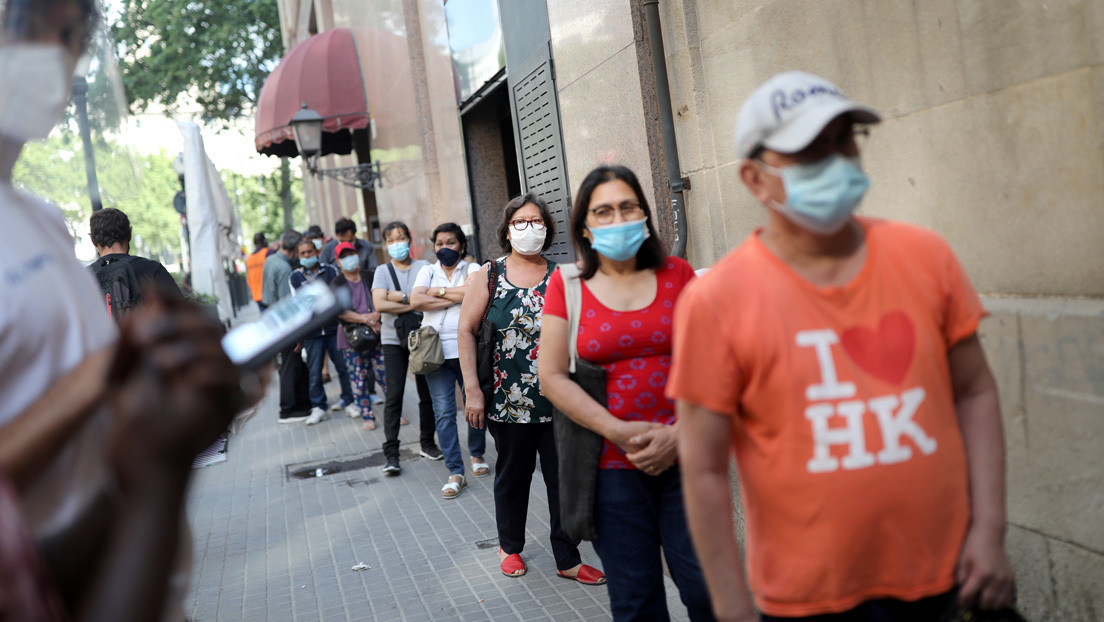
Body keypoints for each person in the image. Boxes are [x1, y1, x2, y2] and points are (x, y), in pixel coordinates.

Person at [669, 71, 1016, 621]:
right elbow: (705, 468)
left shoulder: (926, 257)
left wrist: (990, 532)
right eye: (809, 151)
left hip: (949, 577)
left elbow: (975, 393)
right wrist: (732, 608)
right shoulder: (716, 302)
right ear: (756, 180)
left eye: (844, 140)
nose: (834, 160)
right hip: (810, 599)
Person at [0, 0, 256, 618]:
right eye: (27, 27)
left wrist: (174, 398)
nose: (56, 55)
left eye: (74, 34)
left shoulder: (38, 218)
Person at [537, 165, 713, 621]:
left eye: (627, 207)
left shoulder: (678, 274)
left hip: (687, 458)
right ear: (585, 227)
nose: (618, 219)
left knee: (706, 588)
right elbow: (551, 376)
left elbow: (714, 364)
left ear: (645, 215)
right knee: (636, 601)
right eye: (603, 211)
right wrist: (617, 430)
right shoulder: (567, 285)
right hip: (609, 468)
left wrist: (678, 435)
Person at [457, 194, 605, 584]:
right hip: (508, 402)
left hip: (560, 400)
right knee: (512, 475)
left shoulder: (564, 276)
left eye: (537, 222)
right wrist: (473, 389)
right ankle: (510, 547)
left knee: (563, 479)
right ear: (508, 230)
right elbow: (466, 331)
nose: (529, 229)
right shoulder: (488, 275)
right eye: (521, 222)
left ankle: (567, 557)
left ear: (548, 229)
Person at [411, 222, 488, 499]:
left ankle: (477, 455)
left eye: (451, 243)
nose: (445, 248)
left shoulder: (474, 269)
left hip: (468, 350)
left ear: (462, 245)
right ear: (434, 247)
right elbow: (416, 300)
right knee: (443, 412)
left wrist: (438, 292)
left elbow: (474, 295)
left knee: (474, 403)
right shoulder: (427, 270)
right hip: (435, 353)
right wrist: (457, 297)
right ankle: (456, 471)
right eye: (440, 243)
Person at [372, 221, 443, 475]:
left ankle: (427, 442)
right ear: (385, 244)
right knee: (394, 396)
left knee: (427, 393)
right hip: (393, 341)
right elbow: (379, 305)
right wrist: (411, 300)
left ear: (409, 240)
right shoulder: (382, 271)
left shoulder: (424, 266)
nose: (397, 243)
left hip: (422, 338)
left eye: (401, 237)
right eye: (391, 240)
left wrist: (396, 297)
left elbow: (431, 299)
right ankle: (391, 453)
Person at [290, 237, 353, 426]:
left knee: (343, 367)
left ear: (316, 252)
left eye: (310, 252)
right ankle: (319, 406)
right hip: (313, 333)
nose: (307, 256)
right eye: (303, 253)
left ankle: (349, 401)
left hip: (335, 328)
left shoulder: (331, 270)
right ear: (299, 256)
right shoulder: (295, 277)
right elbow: (299, 305)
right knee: (315, 372)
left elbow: (337, 296)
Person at [89, 207, 182, 315]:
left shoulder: (84, 277)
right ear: (129, 235)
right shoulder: (152, 270)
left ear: (93, 241)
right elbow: (181, 314)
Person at [333, 241, 385, 430]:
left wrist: (377, 316)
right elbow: (339, 311)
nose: (349, 259)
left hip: (376, 333)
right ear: (338, 261)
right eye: (343, 256)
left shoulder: (370, 276)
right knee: (358, 378)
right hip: (351, 338)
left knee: (385, 374)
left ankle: (395, 412)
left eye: (351, 254)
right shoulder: (337, 283)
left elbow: (382, 298)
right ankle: (367, 415)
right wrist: (366, 319)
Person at [265, 229, 312, 423]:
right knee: (291, 365)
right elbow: (288, 302)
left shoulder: (271, 260)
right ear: (294, 249)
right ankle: (289, 409)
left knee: (291, 365)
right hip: (285, 323)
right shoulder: (284, 269)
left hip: (273, 317)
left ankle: (296, 406)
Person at [245, 232, 271, 311]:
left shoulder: (249, 259)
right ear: (264, 241)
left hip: (257, 295)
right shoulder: (267, 253)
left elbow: (249, 279)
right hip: (269, 294)